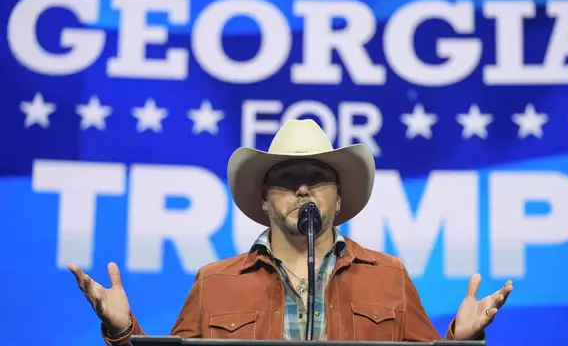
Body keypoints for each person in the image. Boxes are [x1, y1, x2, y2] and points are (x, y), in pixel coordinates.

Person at [69, 119, 513, 345]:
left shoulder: (389, 275)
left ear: (339, 198)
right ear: (264, 198)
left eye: (317, 176)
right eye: (286, 177)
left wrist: (462, 339)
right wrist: (125, 330)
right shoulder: (214, 282)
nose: (302, 187)